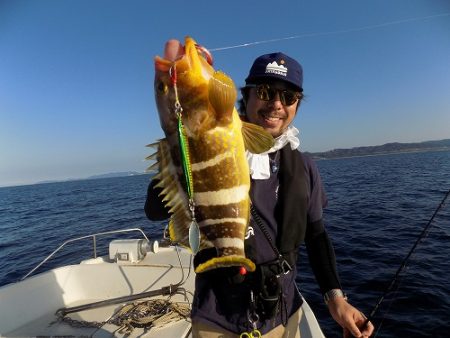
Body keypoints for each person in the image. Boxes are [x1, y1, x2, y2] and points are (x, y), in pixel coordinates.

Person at [145, 40, 374, 338]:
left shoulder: (303, 166)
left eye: (288, 96)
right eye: (265, 92)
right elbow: (154, 209)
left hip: (284, 313)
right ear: (246, 96)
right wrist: (184, 148)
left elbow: (316, 236)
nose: (277, 104)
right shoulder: (210, 137)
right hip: (217, 318)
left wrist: (336, 298)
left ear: (296, 105)